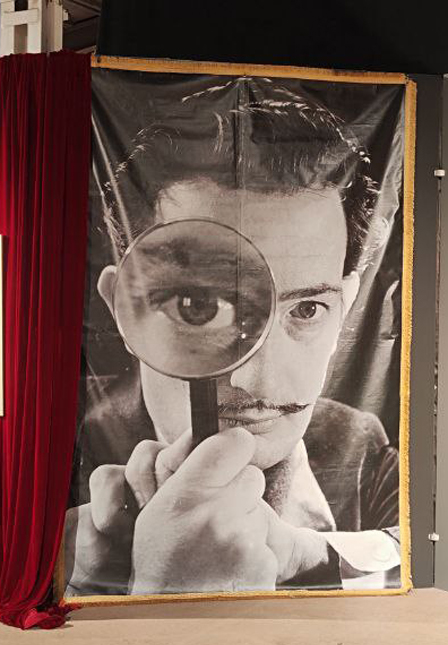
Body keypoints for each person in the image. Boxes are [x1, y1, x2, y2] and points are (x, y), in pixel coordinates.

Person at [64, 77, 401, 597]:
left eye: (307, 309)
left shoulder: (361, 447)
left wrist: (308, 554)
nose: (252, 377)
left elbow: (420, 553)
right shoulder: (49, 443)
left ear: (345, 310)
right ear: (122, 307)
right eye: (199, 307)